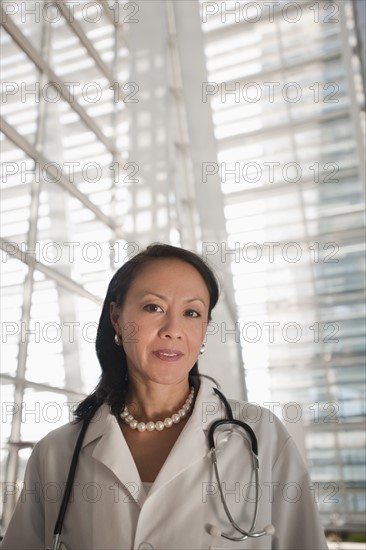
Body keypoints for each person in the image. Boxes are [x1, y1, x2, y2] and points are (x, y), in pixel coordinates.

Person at [2, 243, 329, 550]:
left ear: (204, 329)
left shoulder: (262, 435)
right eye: (153, 307)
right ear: (117, 318)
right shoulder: (57, 453)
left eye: (192, 313)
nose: (173, 329)